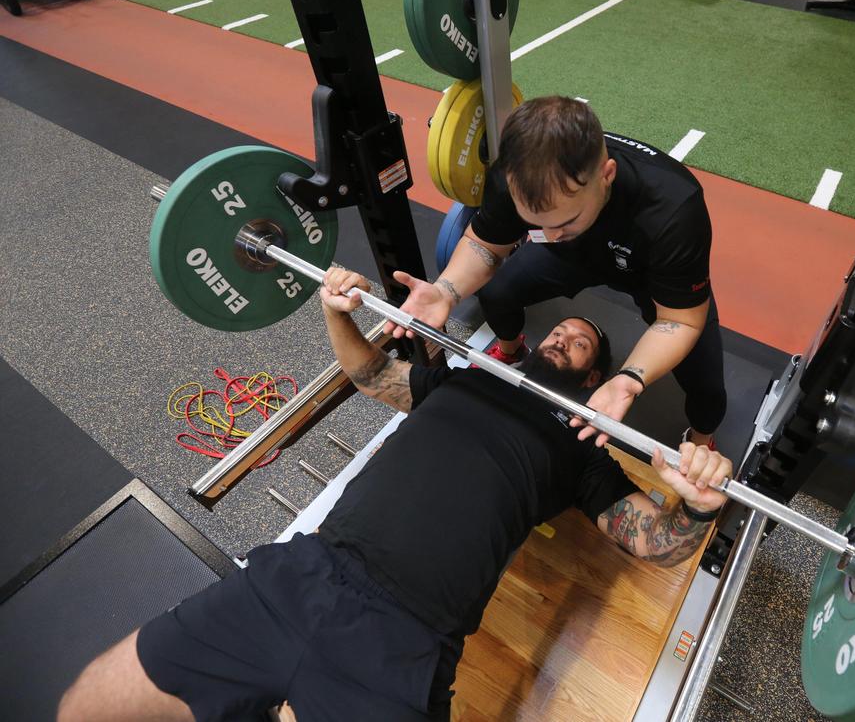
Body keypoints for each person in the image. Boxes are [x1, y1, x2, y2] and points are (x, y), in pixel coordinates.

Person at [57, 268, 734, 722]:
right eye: (560, 329)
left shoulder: (584, 445)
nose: (565, 335)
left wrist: (699, 502)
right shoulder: (468, 377)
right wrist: (335, 311)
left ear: (594, 375)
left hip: (404, 643)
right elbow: (372, 374)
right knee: (86, 702)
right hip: (301, 574)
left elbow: (655, 540)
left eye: (581, 342)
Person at [384, 96, 726, 449]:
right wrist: (446, 291)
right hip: (571, 255)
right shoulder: (514, 173)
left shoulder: (673, 210)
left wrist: (628, 379)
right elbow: (486, 245)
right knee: (498, 292)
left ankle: (701, 442)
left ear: (606, 176)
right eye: (535, 223)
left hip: (648, 272)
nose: (547, 235)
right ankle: (512, 351)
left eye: (563, 221)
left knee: (705, 381)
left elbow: (680, 321)